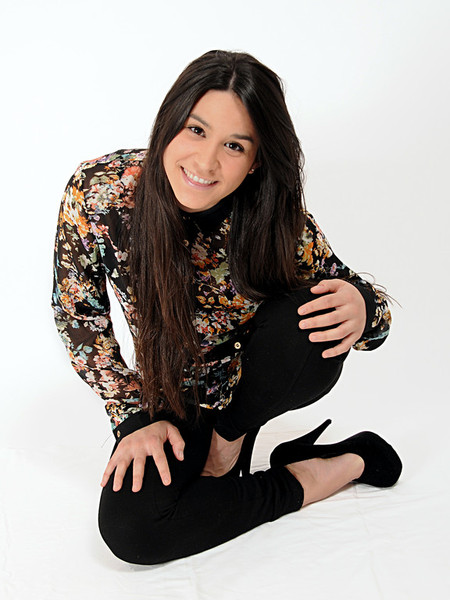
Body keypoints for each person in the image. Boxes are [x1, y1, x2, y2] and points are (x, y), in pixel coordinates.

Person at [52, 50, 401, 565]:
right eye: (195, 130)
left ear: (255, 160)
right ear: (169, 122)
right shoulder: (101, 192)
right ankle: (335, 465)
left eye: (233, 145)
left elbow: (374, 324)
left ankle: (232, 438)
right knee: (133, 531)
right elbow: (78, 315)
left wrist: (364, 306)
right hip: (174, 397)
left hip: (251, 388)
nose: (205, 163)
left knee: (312, 311)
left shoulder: (276, 220)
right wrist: (132, 418)